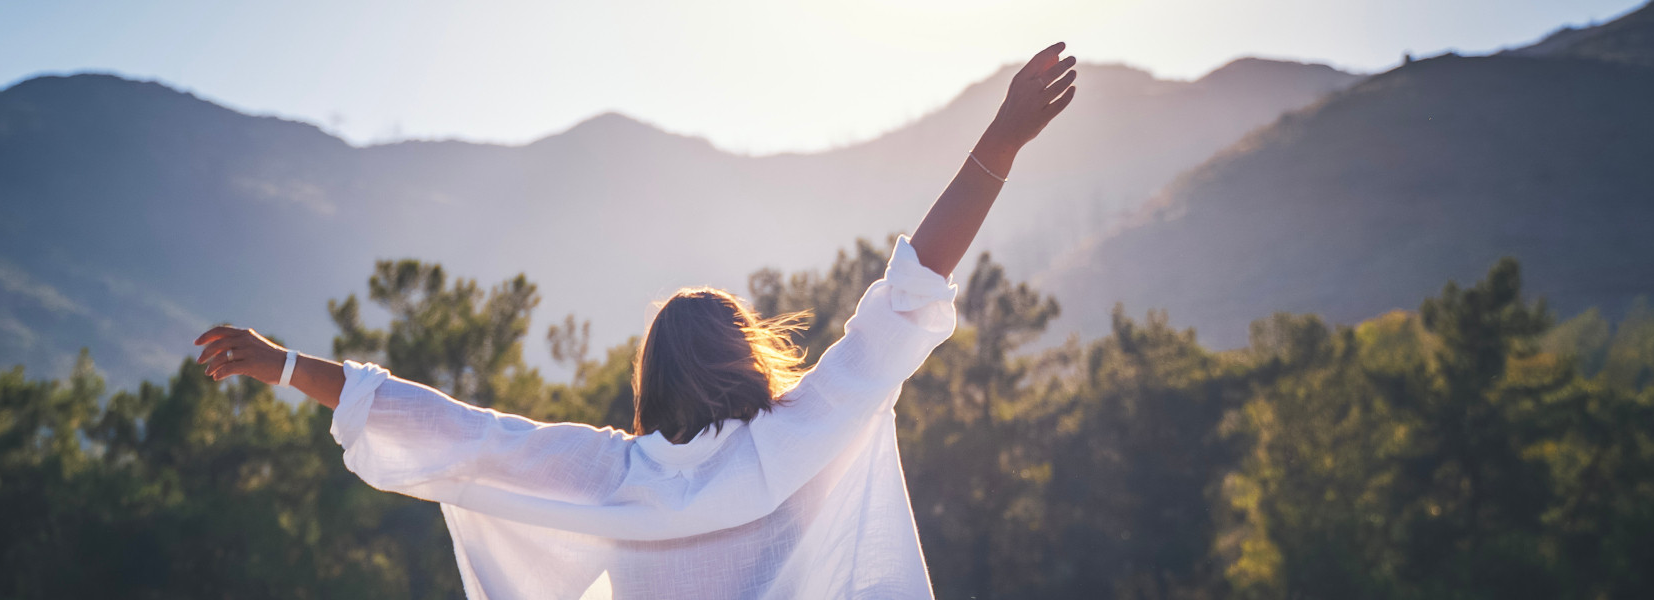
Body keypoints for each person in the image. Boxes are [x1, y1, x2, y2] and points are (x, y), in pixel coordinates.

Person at [190, 42, 1079, 600]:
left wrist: (285, 364)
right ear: (748, 359)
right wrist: (999, 141)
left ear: (649, 382)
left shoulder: (610, 474)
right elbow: (909, 288)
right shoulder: (808, 429)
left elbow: (455, 432)